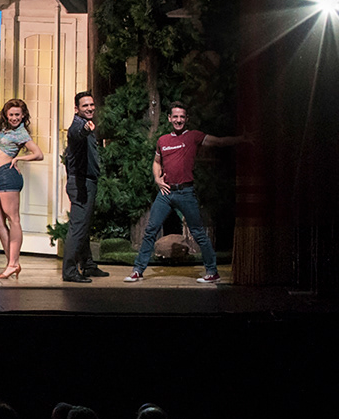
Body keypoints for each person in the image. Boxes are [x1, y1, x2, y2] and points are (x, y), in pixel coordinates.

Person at [126, 100, 249, 284]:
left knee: (198, 232)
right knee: (151, 230)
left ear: (187, 119)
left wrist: (241, 139)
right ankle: (138, 271)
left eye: (182, 117)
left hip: (185, 192)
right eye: (175, 116)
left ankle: (212, 272)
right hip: (166, 193)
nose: (178, 120)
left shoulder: (193, 136)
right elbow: (157, 162)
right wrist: (157, 179)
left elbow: (218, 141)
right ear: (169, 118)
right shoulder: (163, 140)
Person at [0, 97, 43, 280]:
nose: (14, 118)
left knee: (13, 219)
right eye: (11, 115)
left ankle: (13, 263)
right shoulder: (5, 131)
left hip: (9, 175)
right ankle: (11, 261)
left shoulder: (21, 133)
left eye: (17, 115)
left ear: (23, 115)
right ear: (6, 115)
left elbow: (38, 154)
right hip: (2, 175)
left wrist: (18, 158)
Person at [60, 90, 105, 282]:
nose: (90, 108)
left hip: (86, 182)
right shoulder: (78, 126)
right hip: (81, 183)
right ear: (76, 109)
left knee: (83, 225)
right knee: (78, 228)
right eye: (85, 105)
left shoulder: (86, 123)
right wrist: (86, 129)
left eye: (92, 104)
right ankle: (69, 271)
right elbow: (77, 134)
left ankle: (88, 265)